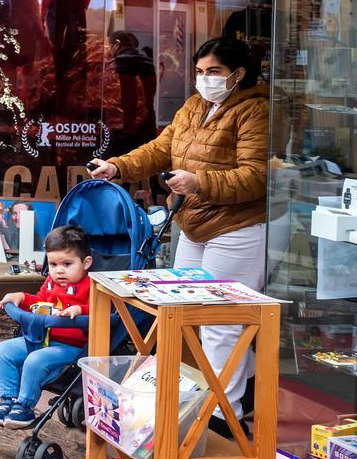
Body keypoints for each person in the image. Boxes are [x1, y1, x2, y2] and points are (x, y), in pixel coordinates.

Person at [89, 37, 268, 427]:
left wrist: (199, 182)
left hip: (236, 228)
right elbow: (159, 149)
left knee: (222, 325)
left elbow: (256, 177)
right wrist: (117, 167)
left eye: (214, 72)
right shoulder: (193, 107)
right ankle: (235, 385)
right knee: (181, 315)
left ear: (238, 74)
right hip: (193, 224)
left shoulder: (255, 111)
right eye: (200, 72)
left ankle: (226, 415)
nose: (205, 80)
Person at [0, 226, 93, 428]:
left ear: (86, 263)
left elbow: (100, 309)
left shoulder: (92, 285)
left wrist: (80, 310)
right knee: (1, 351)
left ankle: (25, 406)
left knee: (35, 359)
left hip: (71, 347)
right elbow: (39, 302)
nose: (59, 270)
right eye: (53, 264)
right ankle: (9, 400)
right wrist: (20, 297)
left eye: (67, 264)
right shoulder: (50, 282)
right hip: (41, 338)